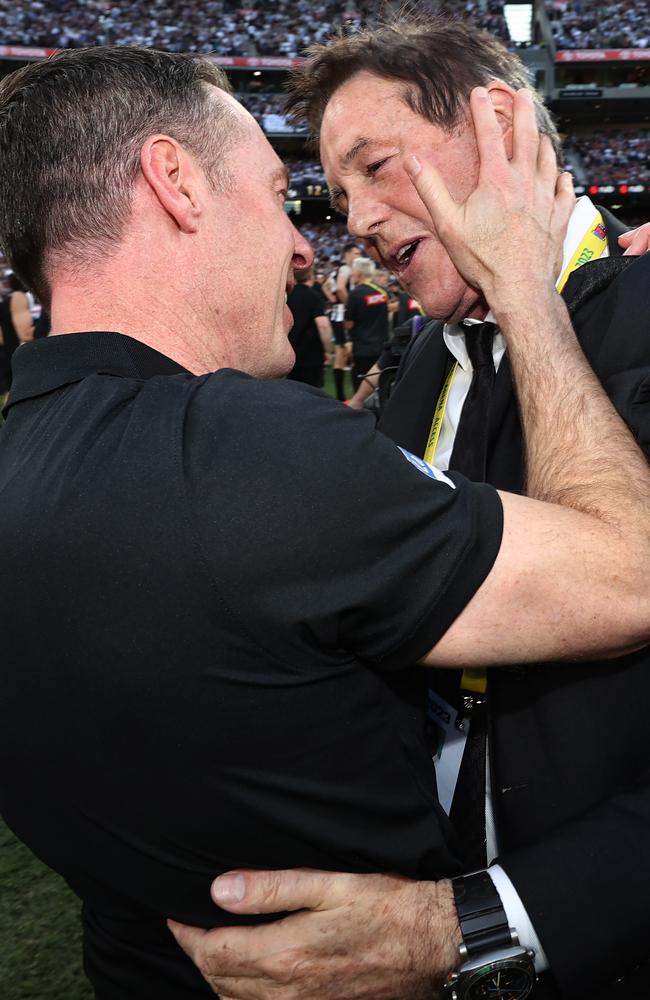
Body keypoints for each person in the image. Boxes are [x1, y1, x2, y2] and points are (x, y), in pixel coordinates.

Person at [1, 45, 650, 1000]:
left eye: (376, 167)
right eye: (328, 189)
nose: (343, 227)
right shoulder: (421, 366)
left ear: (503, 129)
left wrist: (503, 920)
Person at [344, 256, 390, 392]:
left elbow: (349, 323)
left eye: (353, 271)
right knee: (380, 385)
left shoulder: (355, 293)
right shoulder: (382, 291)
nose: (352, 274)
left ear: (358, 273)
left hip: (362, 348)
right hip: (382, 346)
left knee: (362, 386)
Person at [286, 266, 332, 387]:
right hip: (312, 354)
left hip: (291, 352)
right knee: (313, 394)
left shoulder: (285, 297)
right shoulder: (314, 296)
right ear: (311, 276)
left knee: (294, 392)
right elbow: (323, 326)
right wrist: (329, 350)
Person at [328, 241, 358, 400]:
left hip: (336, 314)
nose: (358, 256)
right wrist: (350, 306)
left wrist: (333, 301)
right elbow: (340, 288)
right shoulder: (346, 269)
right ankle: (352, 395)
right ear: (347, 254)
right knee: (349, 352)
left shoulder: (336, 270)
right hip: (343, 315)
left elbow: (327, 286)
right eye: (356, 253)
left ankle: (340, 396)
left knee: (341, 353)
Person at [0, 271, 33, 395]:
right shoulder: (18, 297)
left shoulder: (15, 297)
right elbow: (26, 334)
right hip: (13, 348)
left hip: (10, 349)